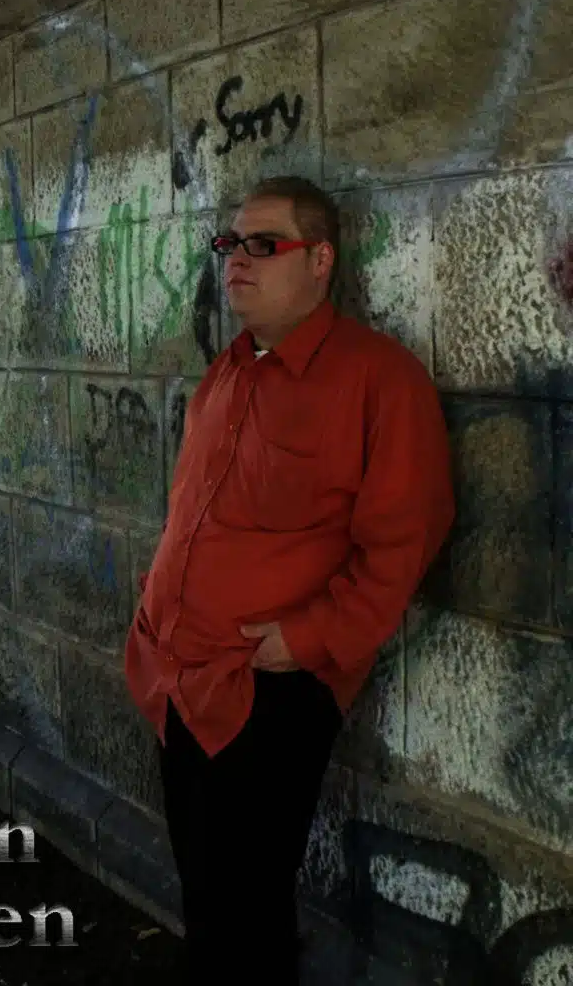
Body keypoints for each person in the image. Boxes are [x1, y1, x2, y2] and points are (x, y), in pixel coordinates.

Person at [124, 176, 455, 984]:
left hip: (267, 686)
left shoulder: (378, 378)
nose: (237, 259)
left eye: (264, 244)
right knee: (206, 898)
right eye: (230, 244)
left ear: (320, 261)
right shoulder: (229, 372)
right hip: (177, 674)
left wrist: (303, 641)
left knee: (248, 910)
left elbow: (405, 543)